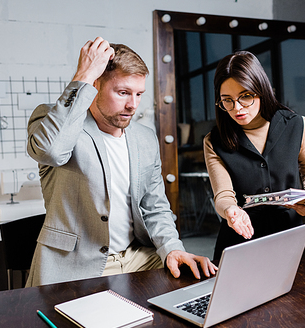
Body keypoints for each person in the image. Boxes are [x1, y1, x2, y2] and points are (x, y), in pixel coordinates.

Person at [26, 37, 217, 287]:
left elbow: (155, 206)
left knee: (196, 289)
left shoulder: (145, 137)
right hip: (78, 265)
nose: (133, 105)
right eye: (123, 93)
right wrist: (84, 74)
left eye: (139, 94)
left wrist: (172, 247)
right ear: (95, 85)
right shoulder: (56, 123)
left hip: (137, 257)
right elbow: (50, 151)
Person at [204, 51, 305, 260]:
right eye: (227, 101)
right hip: (239, 240)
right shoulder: (214, 141)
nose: (237, 108)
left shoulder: (297, 125)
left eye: (246, 96)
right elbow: (223, 194)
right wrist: (231, 210)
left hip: (289, 236)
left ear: (261, 90)